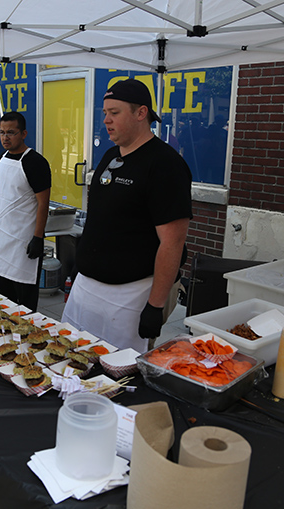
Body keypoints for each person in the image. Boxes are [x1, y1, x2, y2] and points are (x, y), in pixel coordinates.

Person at [62, 78, 192, 352]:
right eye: (105, 113)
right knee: (71, 356)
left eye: (115, 113)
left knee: (117, 376)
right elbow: (101, 216)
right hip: (87, 288)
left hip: (130, 294)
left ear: (141, 113)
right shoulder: (110, 155)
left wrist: (155, 306)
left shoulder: (166, 165)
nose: (107, 120)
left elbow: (172, 242)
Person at [0, 111, 51, 310]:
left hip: (23, 240)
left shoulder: (36, 163)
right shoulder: (2, 157)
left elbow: (43, 203)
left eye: (11, 132)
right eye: (1, 133)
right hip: (1, 237)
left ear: (24, 133)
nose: (5, 137)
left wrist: (38, 238)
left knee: (23, 300)